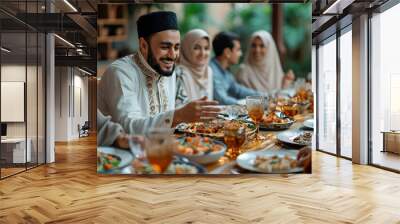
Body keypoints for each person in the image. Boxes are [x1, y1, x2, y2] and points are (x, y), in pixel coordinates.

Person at [98, 11, 220, 134]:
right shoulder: (121, 73)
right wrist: (179, 115)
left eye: (176, 47)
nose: (173, 55)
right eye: (165, 47)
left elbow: (178, 111)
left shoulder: (167, 70)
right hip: (122, 152)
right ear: (144, 45)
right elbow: (128, 128)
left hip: (164, 147)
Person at [210, 31, 263, 105]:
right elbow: (222, 100)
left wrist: (265, 96)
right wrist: (254, 102)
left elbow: (238, 90)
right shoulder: (211, 71)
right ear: (227, 52)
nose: (240, 54)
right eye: (238, 50)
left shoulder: (225, 71)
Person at [175, 29, 213, 107]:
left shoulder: (208, 71)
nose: (202, 53)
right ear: (186, 48)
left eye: (206, 48)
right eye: (196, 48)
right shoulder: (179, 73)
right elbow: (179, 108)